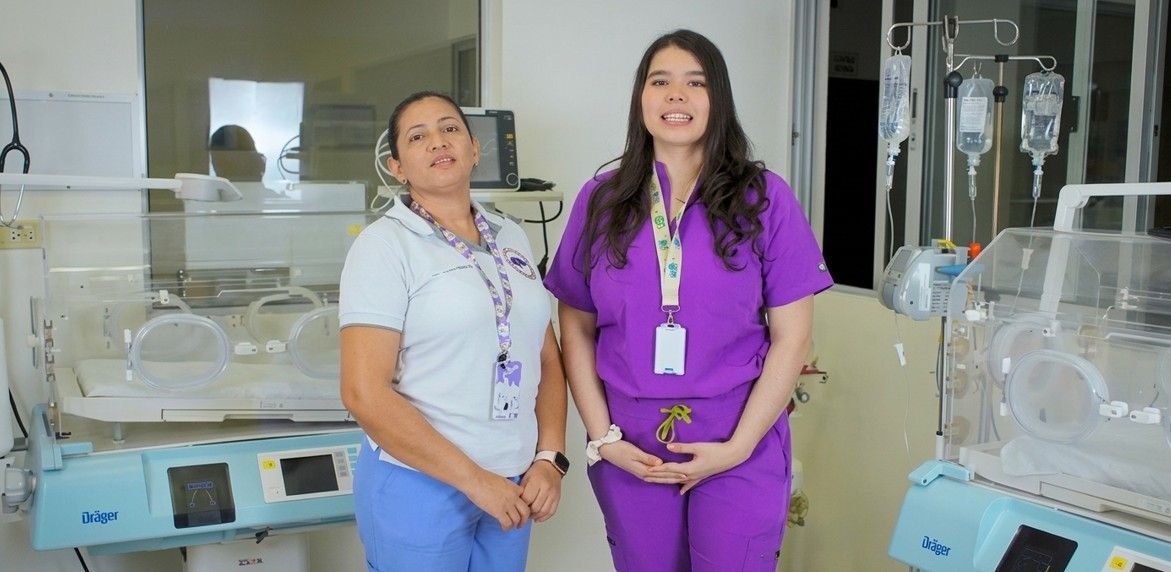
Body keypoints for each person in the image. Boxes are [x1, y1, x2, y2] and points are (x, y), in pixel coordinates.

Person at [544, 30, 834, 571]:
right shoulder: (601, 201)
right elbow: (576, 327)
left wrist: (740, 446)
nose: (676, 96)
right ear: (641, 99)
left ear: (717, 100)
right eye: (661, 82)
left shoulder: (763, 198)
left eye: (694, 83)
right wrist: (603, 437)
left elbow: (794, 337)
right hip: (633, 452)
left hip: (738, 444)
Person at [339, 91, 568, 572]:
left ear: (474, 147)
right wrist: (473, 480)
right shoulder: (384, 247)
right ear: (397, 166)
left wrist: (550, 457)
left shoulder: (512, 235)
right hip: (419, 484)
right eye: (417, 137)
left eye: (450, 129)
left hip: (513, 482)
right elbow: (363, 392)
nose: (438, 142)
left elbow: (546, 358)